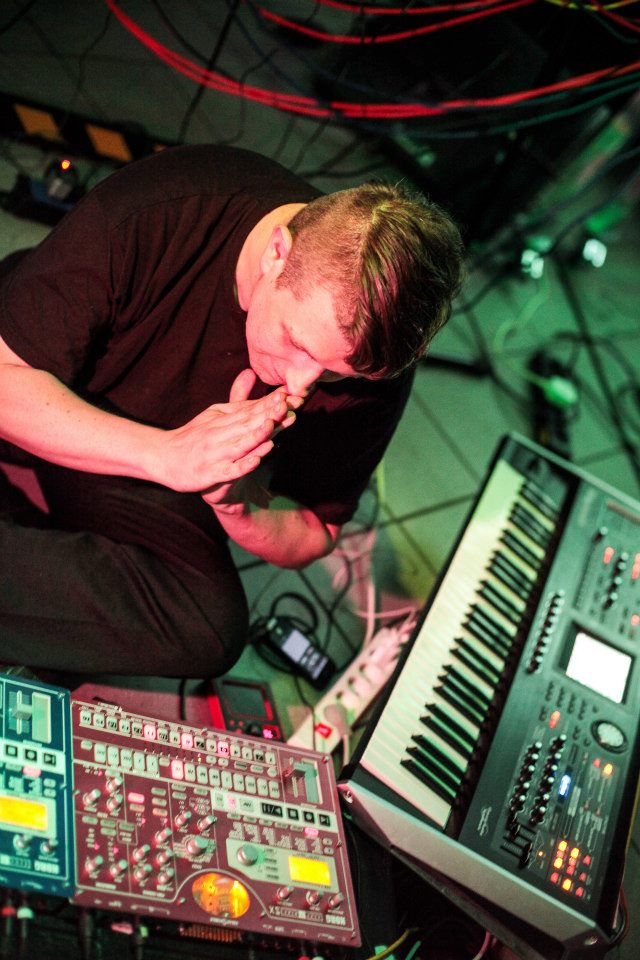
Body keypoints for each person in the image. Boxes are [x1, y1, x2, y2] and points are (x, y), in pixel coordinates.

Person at [0, 144, 464, 679]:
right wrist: (163, 454)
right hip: (48, 381)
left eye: (337, 373)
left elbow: (317, 531)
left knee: (208, 628)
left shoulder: (374, 353)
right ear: (276, 254)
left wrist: (239, 506)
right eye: (298, 344)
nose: (301, 384)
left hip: (144, 477)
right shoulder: (162, 206)